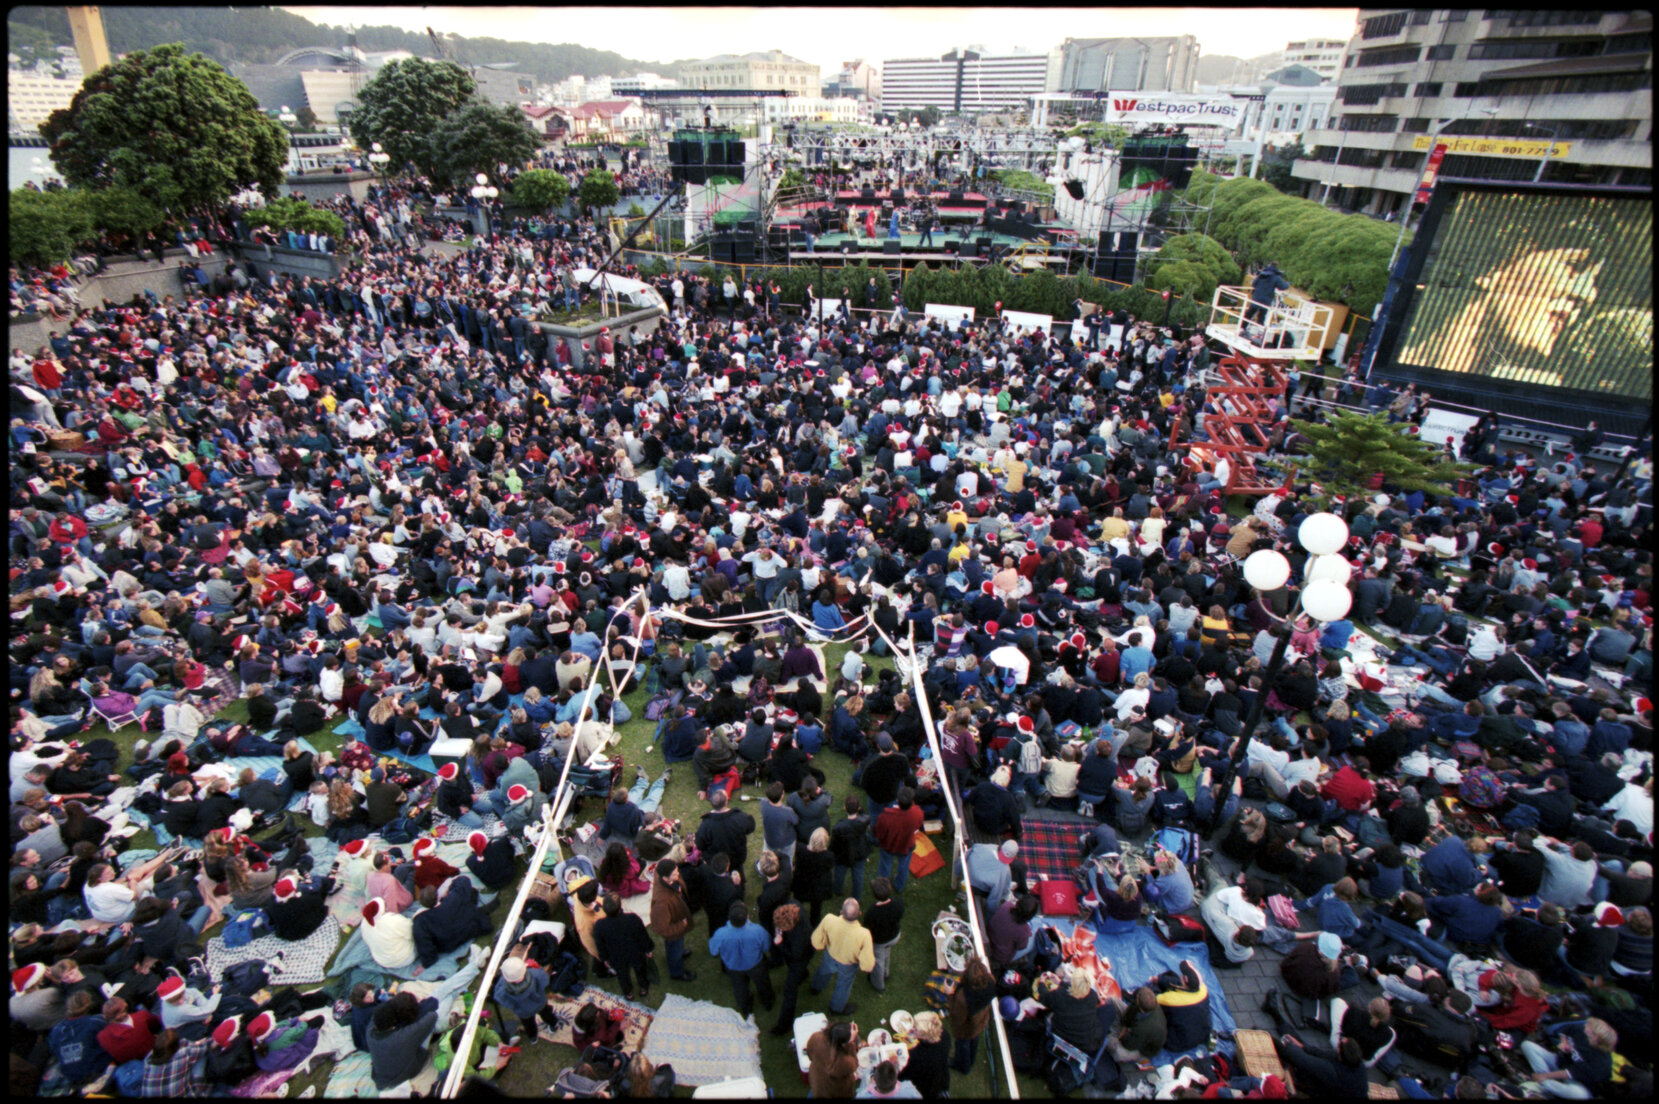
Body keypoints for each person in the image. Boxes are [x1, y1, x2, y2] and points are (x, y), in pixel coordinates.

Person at [810, 897, 876, 1016]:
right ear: (859, 914)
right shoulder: (864, 934)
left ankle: (815, 988)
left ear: (841, 912)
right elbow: (867, 963)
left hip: (830, 956)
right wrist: (866, 966)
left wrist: (820, 945)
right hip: (848, 965)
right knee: (843, 986)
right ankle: (835, 1008)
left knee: (823, 972)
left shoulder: (829, 919)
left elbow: (816, 940)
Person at [708, 901, 774, 1017]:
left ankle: (746, 1009)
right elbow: (766, 946)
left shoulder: (720, 934)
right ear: (747, 917)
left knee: (740, 989)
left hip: (733, 968)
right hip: (756, 965)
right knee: (763, 984)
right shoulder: (757, 930)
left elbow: (714, 951)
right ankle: (768, 1002)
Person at [593, 891, 655, 1000]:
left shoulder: (599, 926)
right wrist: (648, 949)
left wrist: (604, 959)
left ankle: (628, 993)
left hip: (616, 957)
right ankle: (643, 988)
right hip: (635, 953)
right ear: (620, 907)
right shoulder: (632, 918)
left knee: (622, 975)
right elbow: (642, 936)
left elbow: (600, 945)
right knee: (640, 970)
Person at [805, 1019, 861, 1098]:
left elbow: (809, 1053)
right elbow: (854, 1063)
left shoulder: (816, 1038)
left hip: (817, 1080)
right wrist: (851, 1043)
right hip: (837, 1092)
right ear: (844, 1044)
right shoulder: (845, 1062)